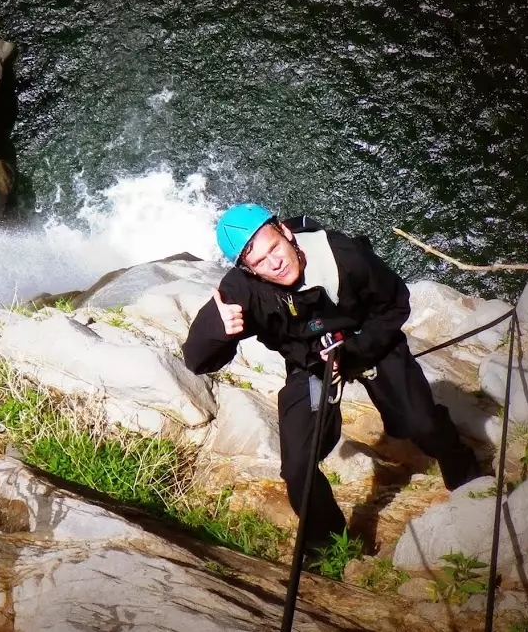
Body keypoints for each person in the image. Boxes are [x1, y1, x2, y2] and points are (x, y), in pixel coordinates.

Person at [182, 203, 482, 552]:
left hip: (368, 342)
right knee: (299, 468)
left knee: (420, 423)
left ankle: (463, 469)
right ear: (247, 270)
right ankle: (327, 542)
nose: (274, 263)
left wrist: (356, 349)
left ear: (286, 232)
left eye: (274, 248)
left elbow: (396, 303)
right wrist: (217, 331)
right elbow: (196, 361)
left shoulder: (342, 254)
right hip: (310, 363)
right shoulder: (243, 290)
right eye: (260, 262)